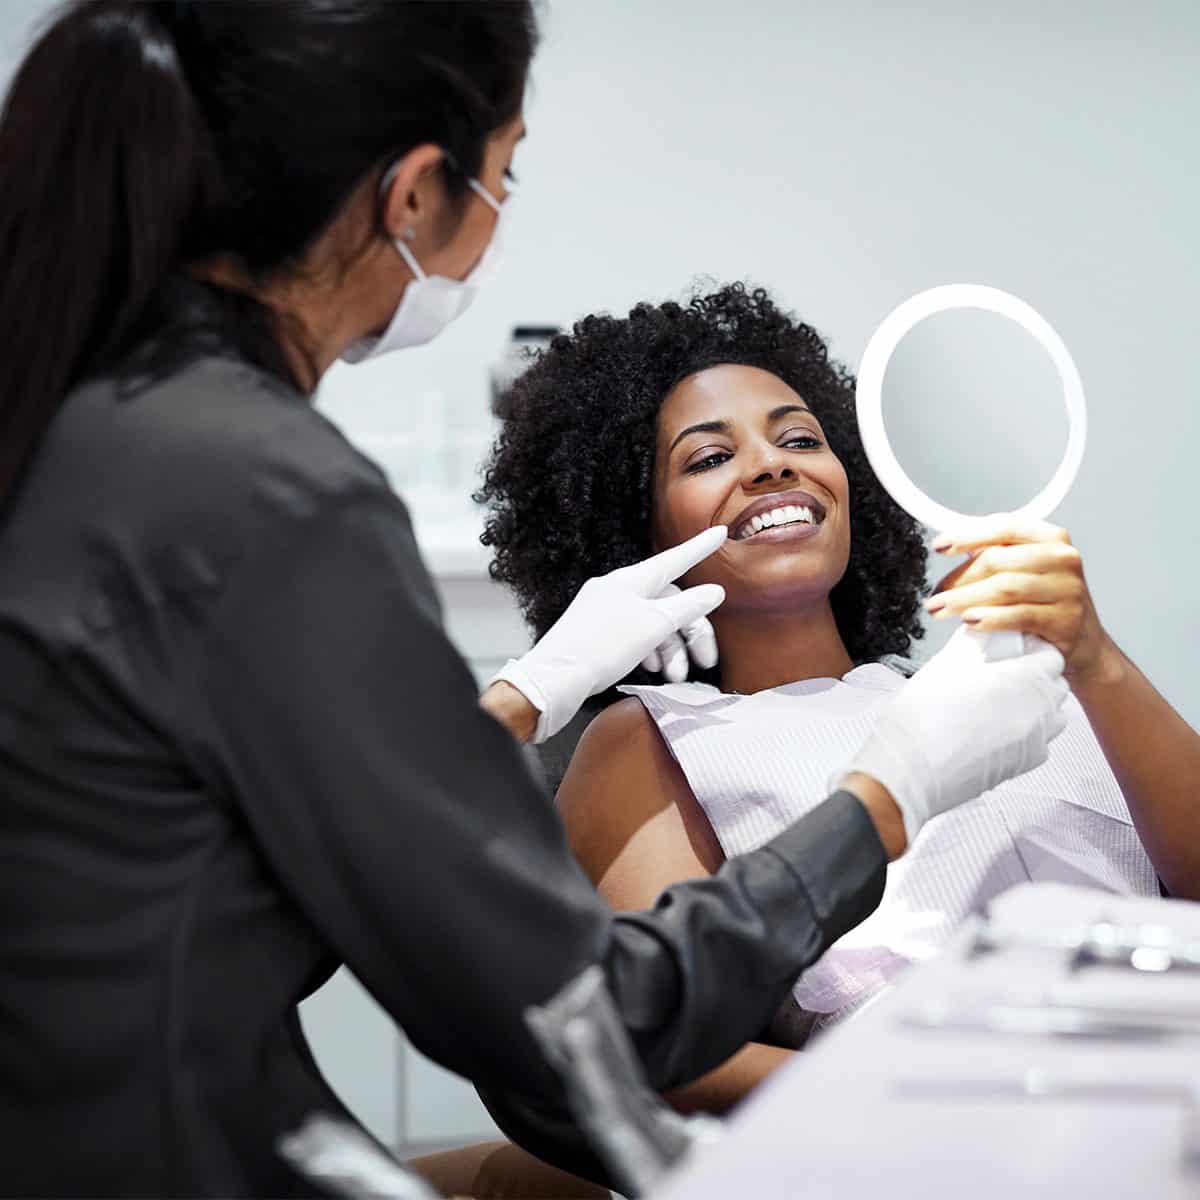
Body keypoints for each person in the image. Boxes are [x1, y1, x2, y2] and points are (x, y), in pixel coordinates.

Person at [0, 5, 1069, 1196]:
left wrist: (519, 695)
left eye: (797, 435)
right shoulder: (273, 497)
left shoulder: (90, 428)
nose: (769, 469)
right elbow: (578, 1028)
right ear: (414, 196)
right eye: (502, 176)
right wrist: (890, 795)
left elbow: (248, 876)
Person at [479, 282, 1187, 1113]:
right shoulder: (652, 739)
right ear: (638, 533)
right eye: (710, 458)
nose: (772, 465)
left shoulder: (1012, 694)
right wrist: (926, 1095)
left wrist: (1095, 659)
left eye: (802, 439)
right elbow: (655, 1048)